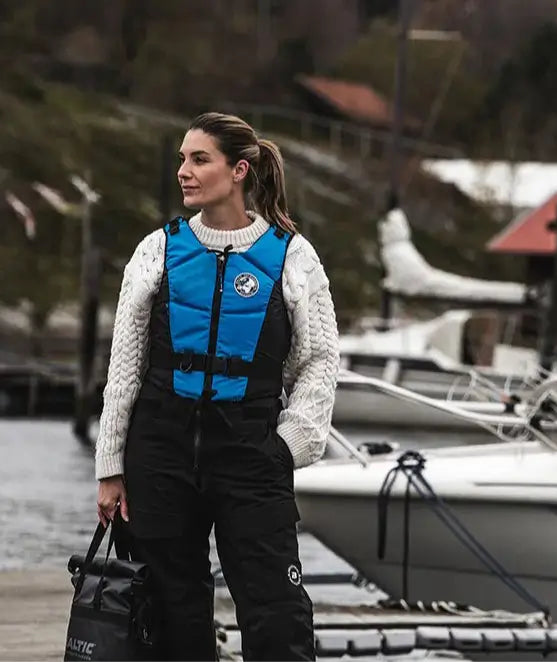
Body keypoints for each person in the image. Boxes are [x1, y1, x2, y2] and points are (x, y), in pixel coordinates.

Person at [95, 112, 340, 660]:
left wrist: (288, 446)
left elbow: (320, 363)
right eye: (182, 158)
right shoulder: (156, 250)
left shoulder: (292, 257)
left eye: (199, 159)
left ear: (239, 170)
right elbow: (125, 365)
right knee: (169, 614)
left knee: (278, 617)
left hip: (252, 452)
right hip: (160, 450)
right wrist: (111, 465)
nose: (183, 170)